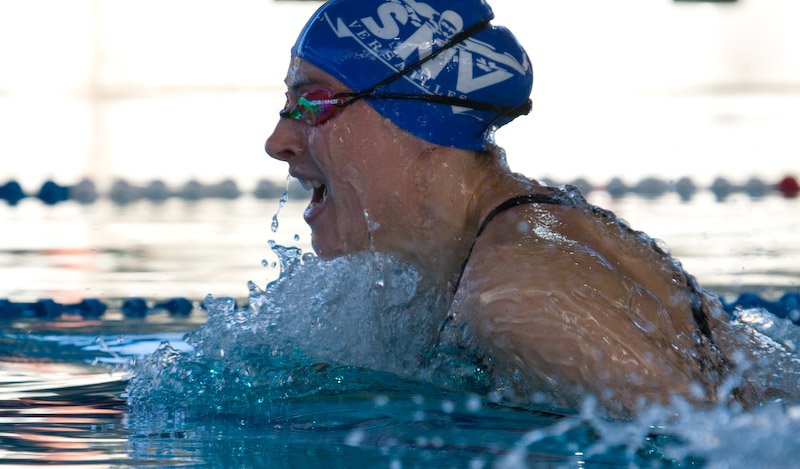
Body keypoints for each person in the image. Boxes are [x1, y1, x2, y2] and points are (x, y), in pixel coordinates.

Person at [265, 0, 751, 414]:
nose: (277, 141)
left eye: (314, 104)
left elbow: (710, 444)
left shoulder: (516, 293)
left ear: (421, 114)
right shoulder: (497, 241)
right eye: (287, 105)